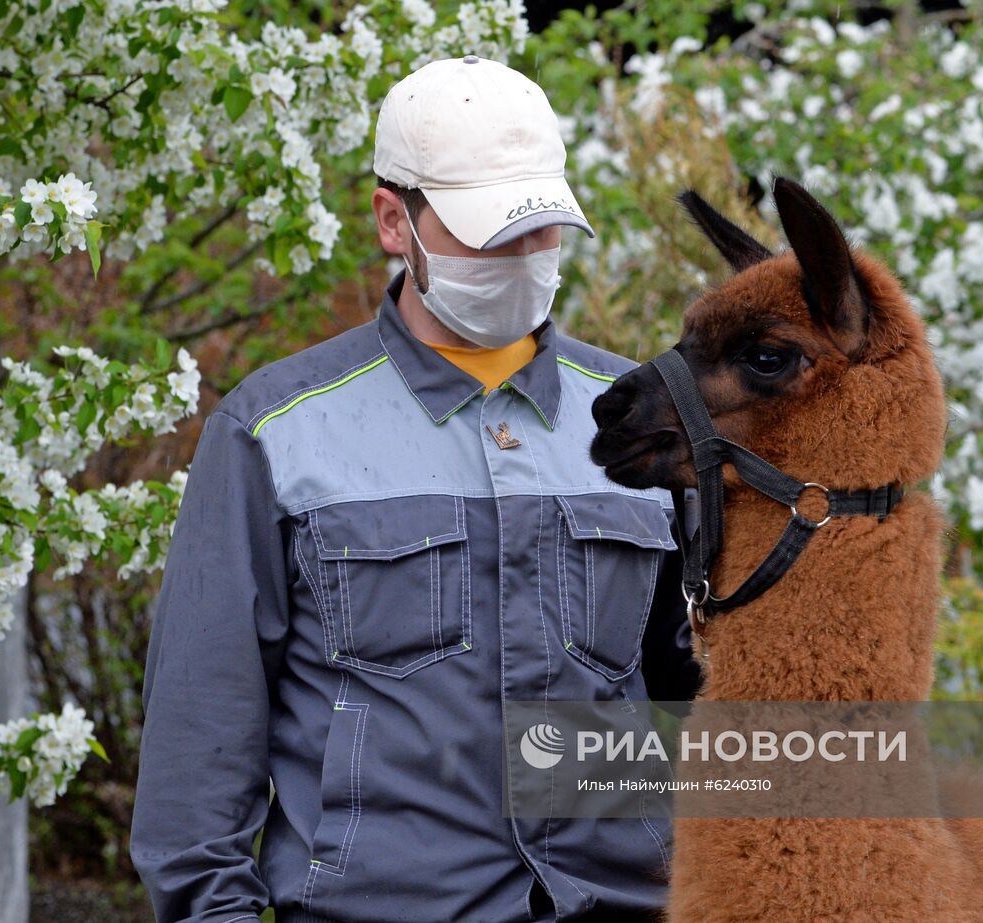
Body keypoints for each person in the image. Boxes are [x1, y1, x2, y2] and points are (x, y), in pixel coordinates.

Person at [129, 54, 702, 923]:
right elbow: (197, 747)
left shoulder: (645, 423)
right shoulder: (274, 433)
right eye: (488, 232)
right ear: (394, 222)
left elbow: (704, 699)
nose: (521, 256)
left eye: (539, 229)